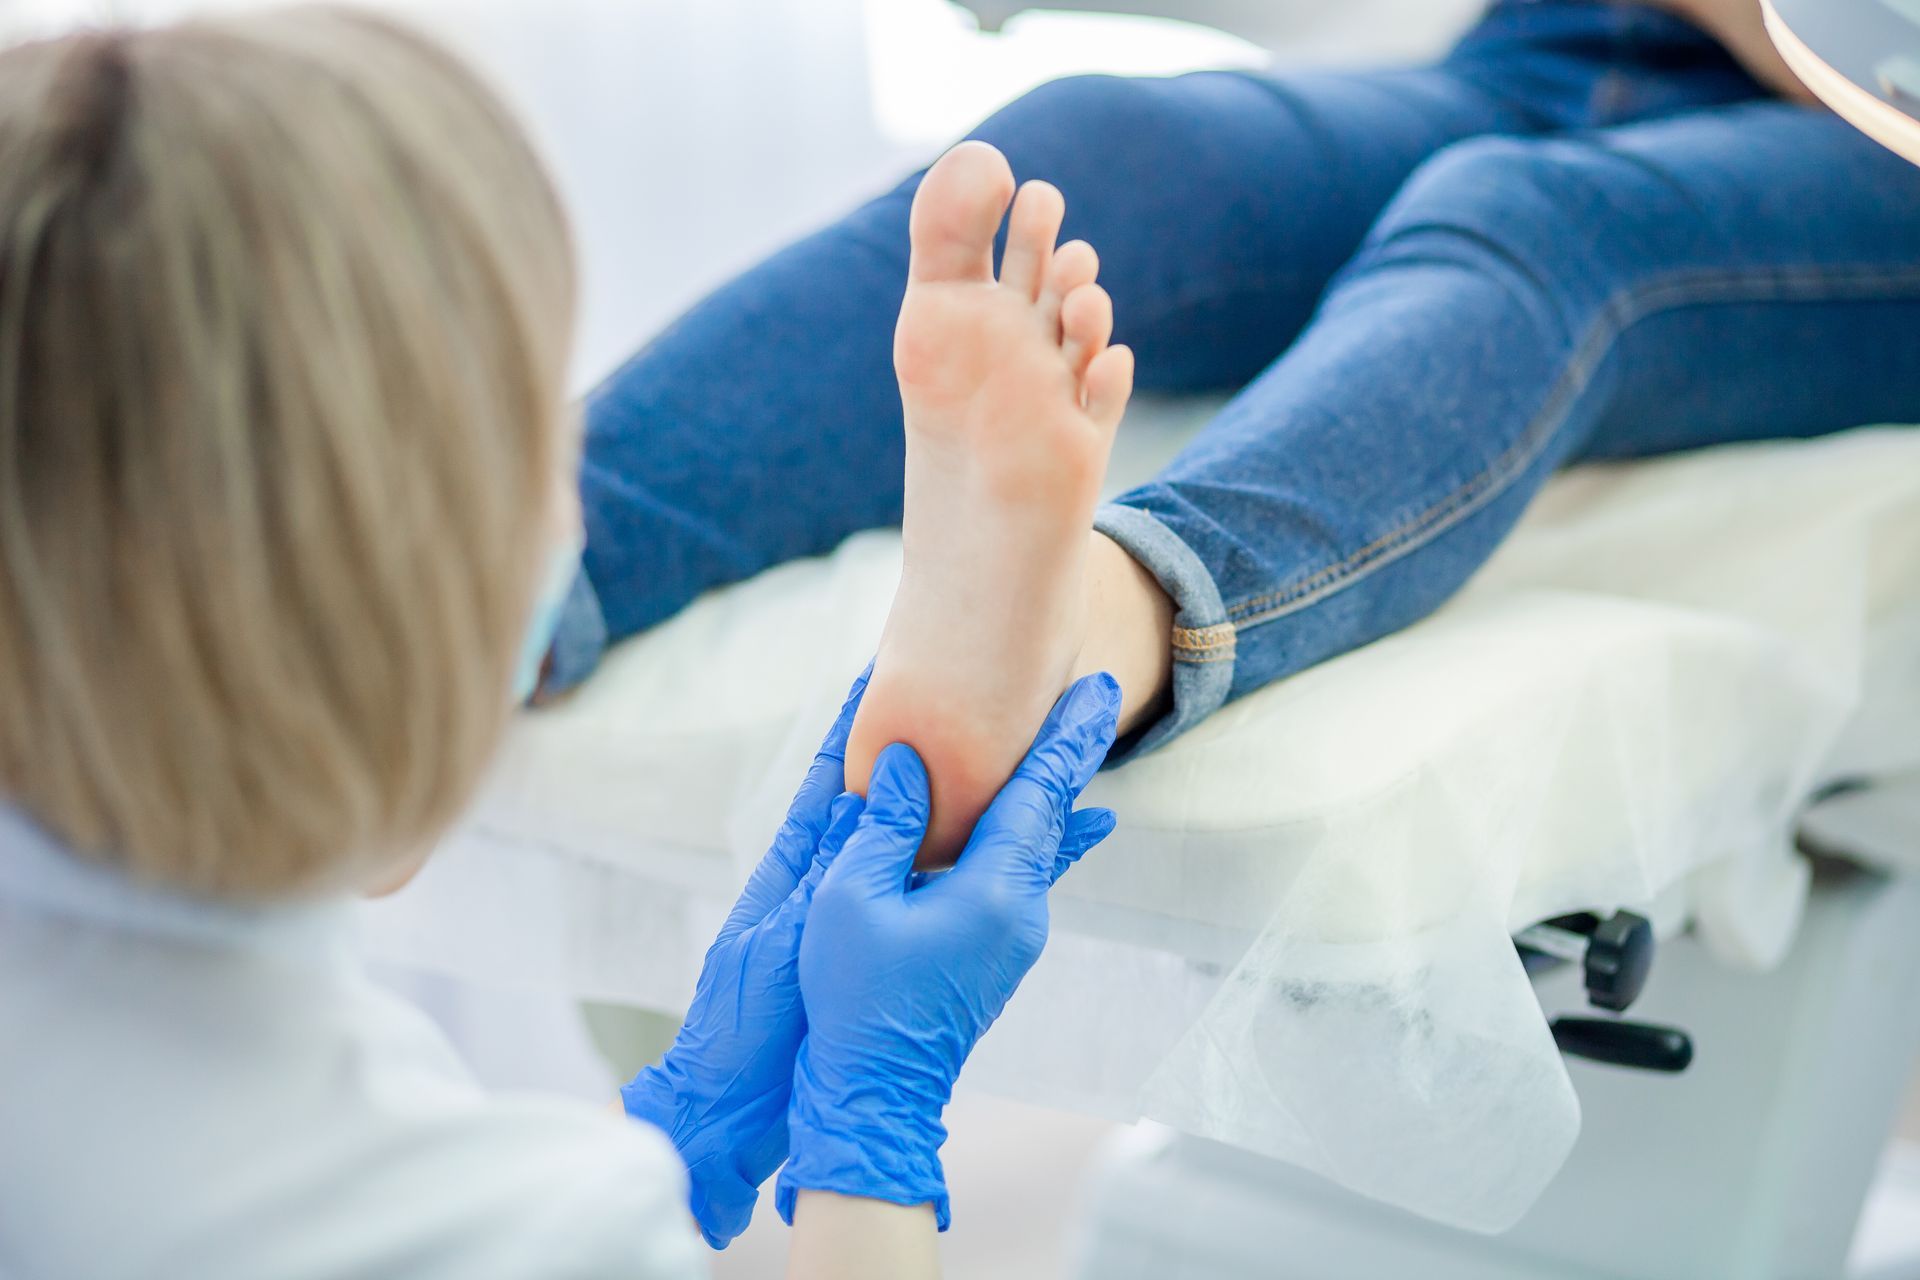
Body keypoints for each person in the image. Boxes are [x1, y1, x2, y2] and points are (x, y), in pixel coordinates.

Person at [0, 11, 1122, 1277]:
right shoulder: (492, 1223)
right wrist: (873, 1155)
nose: (576, 506)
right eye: (540, 440)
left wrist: (671, 1133)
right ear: (375, 640)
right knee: (1158, 158)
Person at [550, 0, 1920, 857]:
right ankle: (480, 592)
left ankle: (1083, 638)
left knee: (1529, 225)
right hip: (1575, 43)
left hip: (1882, 139)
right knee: (1097, 154)